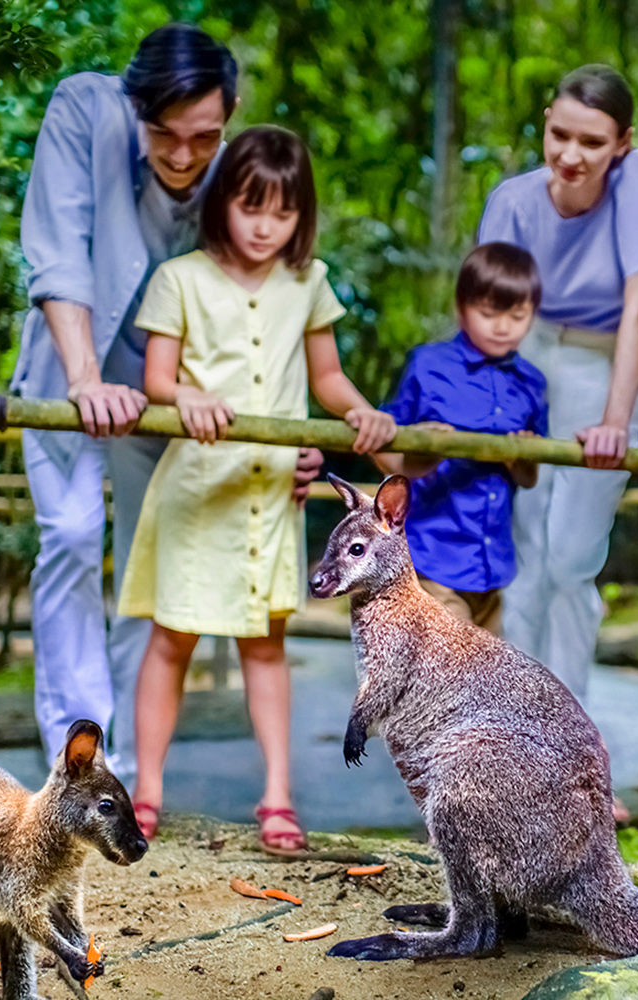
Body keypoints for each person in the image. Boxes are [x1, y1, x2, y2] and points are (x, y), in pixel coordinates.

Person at [12, 24, 323, 787]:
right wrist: (86, 380)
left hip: (173, 397)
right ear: (135, 106)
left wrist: (279, 439)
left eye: (204, 136)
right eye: (164, 133)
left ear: (231, 112)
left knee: (148, 574)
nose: (183, 154)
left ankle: (120, 766)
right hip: (73, 368)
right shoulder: (86, 110)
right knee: (76, 536)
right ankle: (77, 753)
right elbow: (58, 250)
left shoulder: (232, 166)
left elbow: (265, 308)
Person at [120, 126, 397, 850]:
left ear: (302, 215)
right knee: (171, 639)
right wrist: (185, 397)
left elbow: (328, 376)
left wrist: (359, 411)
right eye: (251, 208)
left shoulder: (309, 282)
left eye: (283, 212)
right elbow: (155, 376)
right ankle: (145, 792)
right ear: (222, 204)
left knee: (266, 644)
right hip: (193, 489)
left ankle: (278, 796)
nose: (265, 226)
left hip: (270, 496)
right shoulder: (179, 278)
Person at [478, 64, 638, 701]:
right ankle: (516, 744)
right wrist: (498, 412)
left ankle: (573, 745)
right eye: (561, 136)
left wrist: (613, 419)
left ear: (622, 142)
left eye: (593, 143)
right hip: (526, 360)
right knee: (526, 559)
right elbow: (492, 322)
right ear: (546, 123)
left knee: (572, 559)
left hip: (604, 367)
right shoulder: (512, 202)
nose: (572, 155)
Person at [374, 243, 547, 634]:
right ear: (462, 307)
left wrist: (520, 457)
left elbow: (529, 478)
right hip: (431, 557)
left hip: (492, 566)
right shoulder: (428, 366)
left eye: (518, 315)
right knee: (457, 676)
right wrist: (418, 458)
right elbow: (378, 443)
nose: (503, 326)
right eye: (488, 313)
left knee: (481, 685)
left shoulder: (533, 384)